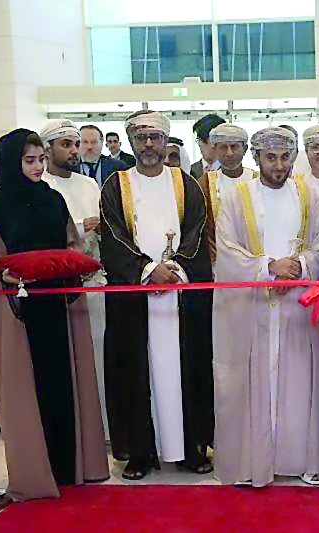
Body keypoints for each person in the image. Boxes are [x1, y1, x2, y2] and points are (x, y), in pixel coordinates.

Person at [0, 128, 108, 500]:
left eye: (41, 160)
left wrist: (68, 266)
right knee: (27, 390)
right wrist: (7, 274)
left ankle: (73, 467)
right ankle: (36, 473)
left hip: (58, 307)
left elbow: (71, 243)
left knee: (65, 383)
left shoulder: (54, 200)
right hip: (19, 310)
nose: (37, 168)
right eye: (29, 161)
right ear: (11, 163)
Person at [213, 127, 319, 487]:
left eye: (285, 157)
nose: (278, 165)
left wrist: (299, 267)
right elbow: (227, 249)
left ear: (294, 157)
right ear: (257, 158)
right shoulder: (237, 197)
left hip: (297, 303)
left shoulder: (308, 194)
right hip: (253, 306)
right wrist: (268, 268)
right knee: (252, 382)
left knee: (299, 382)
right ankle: (253, 464)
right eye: (270, 157)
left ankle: (300, 461)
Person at [101, 110, 214, 480]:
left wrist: (175, 269)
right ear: (131, 141)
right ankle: (140, 452)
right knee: (135, 371)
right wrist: (147, 270)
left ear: (166, 141)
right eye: (141, 137)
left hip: (180, 293)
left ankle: (190, 448)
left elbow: (198, 230)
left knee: (187, 368)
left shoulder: (188, 183)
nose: (148, 144)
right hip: (135, 297)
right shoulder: (115, 185)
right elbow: (113, 235)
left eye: (155, 137)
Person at [38, 120, 108, 437]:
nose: (73, 151)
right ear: (47, 149)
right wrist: (83, 226)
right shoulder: (42, 187)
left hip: (95, 281)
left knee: (99, 356)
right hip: (59, 286)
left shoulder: (89, 185)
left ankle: (103, 428)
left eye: (75, 144)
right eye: (65, 144)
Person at [197, 124, 255, 264]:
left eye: (234, 146)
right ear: (215, 149)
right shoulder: (204, 183)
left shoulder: (257, 179)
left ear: (245, 149)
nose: (229, 153)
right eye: (223, 147)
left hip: (256, 258)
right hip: (220, 261)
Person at [190, 114, 225, 178]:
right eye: (199, 140)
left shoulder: (231, 172)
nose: (200, 145)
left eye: (204, 141)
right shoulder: (190, 171)